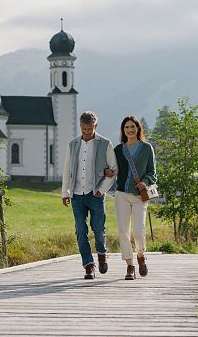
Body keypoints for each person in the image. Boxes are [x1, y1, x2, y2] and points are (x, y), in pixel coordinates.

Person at [61, 111, 117, 279]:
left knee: (99, 230)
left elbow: (113, 170)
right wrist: (65, 192)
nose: (86, 132)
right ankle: (89, 265)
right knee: (80, 230)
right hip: (77, 195)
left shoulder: (105, 143)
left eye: (89, 128)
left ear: (95, 126)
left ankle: (101, 254)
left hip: (96, 195)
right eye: (83, 128)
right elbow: (67, 170)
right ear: (80, 126)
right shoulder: (73, 144)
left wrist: (102, 189)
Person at [112, 115, 157, 280]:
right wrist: (106, 172)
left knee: (138, 231)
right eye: (126, 128)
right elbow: (111, 169)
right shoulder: (117, 150)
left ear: (138, 128)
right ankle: (130, 266)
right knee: (123, 232)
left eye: (132, 127)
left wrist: (145, 182)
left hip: (139, 196)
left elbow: (152, 173)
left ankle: (140, 255)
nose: (130, 130)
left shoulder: (146, 148)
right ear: (123, 131)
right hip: (121, 194)